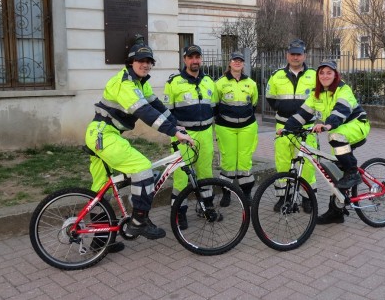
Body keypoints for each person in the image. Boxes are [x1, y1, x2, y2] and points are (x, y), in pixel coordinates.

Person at [85, 44, 193, 249]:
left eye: (148, 61)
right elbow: (145, 112)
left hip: (103, 134)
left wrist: (176, 125)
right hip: (103, 134)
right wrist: (173, 132)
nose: (145, 65)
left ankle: (100, 242)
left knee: (100, 190)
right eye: (140, 61)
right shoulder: (124, 83)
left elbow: (156, 106)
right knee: (142, 168)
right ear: (131, 62)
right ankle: (139, 221)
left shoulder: (141, 83)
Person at [283, 60, 371, 224]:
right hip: (338, 130)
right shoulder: (316, 93)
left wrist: (328, 124)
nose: (325, 76)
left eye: (329, 73)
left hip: (356, 125)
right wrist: (287, 128)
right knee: (336, 171)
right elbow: (303, 113)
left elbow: (341, 110)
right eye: (321, 73)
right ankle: (336, 211)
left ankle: (353, 172)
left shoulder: (343, 90)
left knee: (335, 138)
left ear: (335, 75)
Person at [163, 45, 218, 229]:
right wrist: (176, 131)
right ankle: (179, 213)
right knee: (181, 176)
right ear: (185, 59)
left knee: (205, 172)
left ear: (201, 59)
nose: (195, 61)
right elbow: (167, 112)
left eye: (197, 57)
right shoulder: (173, 82)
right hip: (183, 135)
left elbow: (214, 106)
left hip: (206, 134)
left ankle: (206, 207)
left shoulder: (209, 81)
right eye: (191, 57)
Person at [265, 39, 318, 213]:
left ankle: (307, 198)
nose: (295, 57)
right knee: (282, 163)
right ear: (287, 55)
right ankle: (284, 197)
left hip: (306, 128)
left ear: (305, 55)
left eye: (299, 54)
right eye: (292, 54)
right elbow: (271, 98)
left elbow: (320, 99)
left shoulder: (314, 75)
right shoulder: (277, 75)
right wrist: (284, 110)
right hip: (283, 127)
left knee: (308, 165)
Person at [215, 51, 258, 205]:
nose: (237, 63)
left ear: (243, 64)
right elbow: (215, 105)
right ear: (230, 62)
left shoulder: (251, 83)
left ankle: (246, 193)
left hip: (247, 127)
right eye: (235, 60)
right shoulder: (219, 83)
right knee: (228, 162)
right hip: (225, 128)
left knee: (245, 162)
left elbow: (253, 104)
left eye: (240, 60)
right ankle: (226, 193)